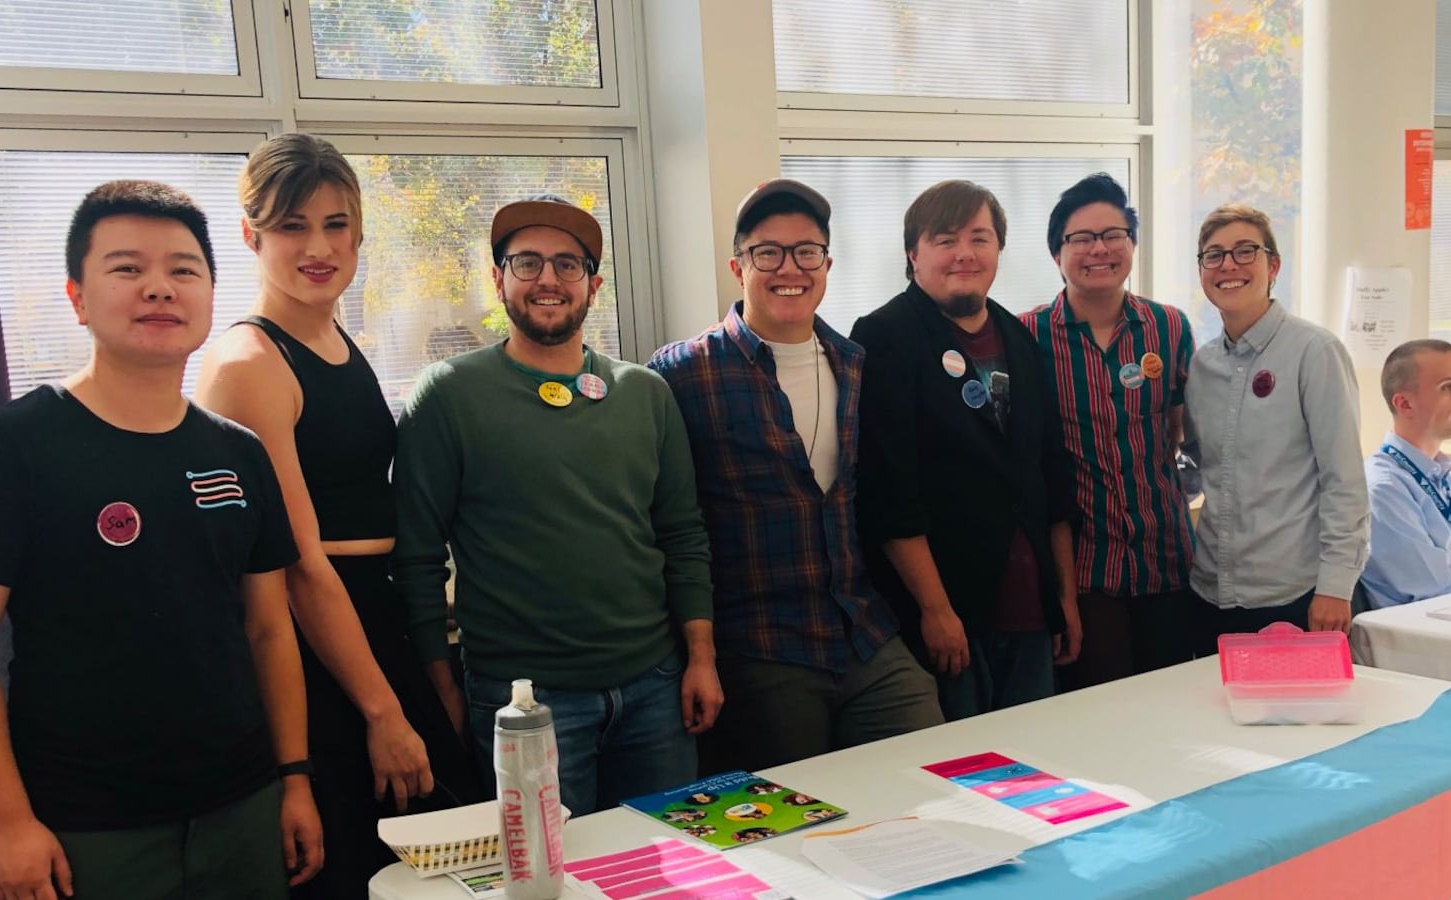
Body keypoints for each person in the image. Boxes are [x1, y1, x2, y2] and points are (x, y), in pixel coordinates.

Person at [0, 181, 320, 898]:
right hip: (86, 829)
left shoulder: (238, 453)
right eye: (128, 268)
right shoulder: (15, 447)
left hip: (244, 806)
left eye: (182, 270)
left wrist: (293, 778)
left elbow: (268, 629)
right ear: (77, 295)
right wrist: (5, 823)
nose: (160, 289)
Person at [195, 133, 479, 895]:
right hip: (317, 644)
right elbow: (295, 566)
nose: (318, 247)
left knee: (443, 855)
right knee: (363, 864)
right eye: (293, 227)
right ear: (251, 236)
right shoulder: (250, 363)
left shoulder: (329, 334)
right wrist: (383, 712)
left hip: (373, 614)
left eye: (335, 224)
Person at [393, 195, 722, 814]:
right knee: (547, 876)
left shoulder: (645, 393)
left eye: (568, 265)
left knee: (668, 869)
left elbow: (682, 534)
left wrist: (700, 658)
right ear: (498, 280)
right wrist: (445, 690)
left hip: (655, 690)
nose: (548, 279)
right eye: (527, 263)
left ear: (593, 285)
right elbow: (416, 559)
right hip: (524, 705)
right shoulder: (449, 394)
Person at [650, 179, 942, 771]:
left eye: (806, 251)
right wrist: (698, 653)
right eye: (768, 252)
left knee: (931, 768)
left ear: (827, 264)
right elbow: (672, 525)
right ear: (739, 266)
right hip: (761, 647)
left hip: (862, 630)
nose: (790, 268)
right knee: (797, 826)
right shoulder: (682, 374)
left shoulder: (856, 364)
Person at [852, 179, 1078, 720]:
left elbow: (1050, 475)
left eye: (980, 238)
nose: (964, 254)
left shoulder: (1019, 338)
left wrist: (1063, 599)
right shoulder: (885, 336)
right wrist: (935, 609)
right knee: (961, 779)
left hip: (1030, 611)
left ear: (999, 248)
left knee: (1037, 773)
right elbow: (890, 491)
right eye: (945, 239)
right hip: (949, 613)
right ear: (913, 253)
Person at [1020, 173, 1198, 687]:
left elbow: (1179, 428)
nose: (1099, 249)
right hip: (1085, 571)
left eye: (1113, 235)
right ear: (1058, 254)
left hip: (1167, 559)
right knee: (1099, 720)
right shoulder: (1026, 335)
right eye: (1081, 239)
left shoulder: (1169, 327)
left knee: (1169, 709)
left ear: (1132, 246)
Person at [1184, 204, 1368, 647]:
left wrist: (1335, 586)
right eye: (1214, 255)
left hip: (1297, 594)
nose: (1228, 265)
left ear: (1274, 266)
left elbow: (1344, 481)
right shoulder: (1202, 365)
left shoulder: (1314, 352)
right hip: (1212, 593)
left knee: (1301, 716)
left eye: (1245, 251)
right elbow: (1196, 465)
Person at [1360, 340, 1451, 608]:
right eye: (1449, 387)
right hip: (1431, 632)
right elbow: (1436, 596)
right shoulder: (1382, 489)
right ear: (1405, 404)